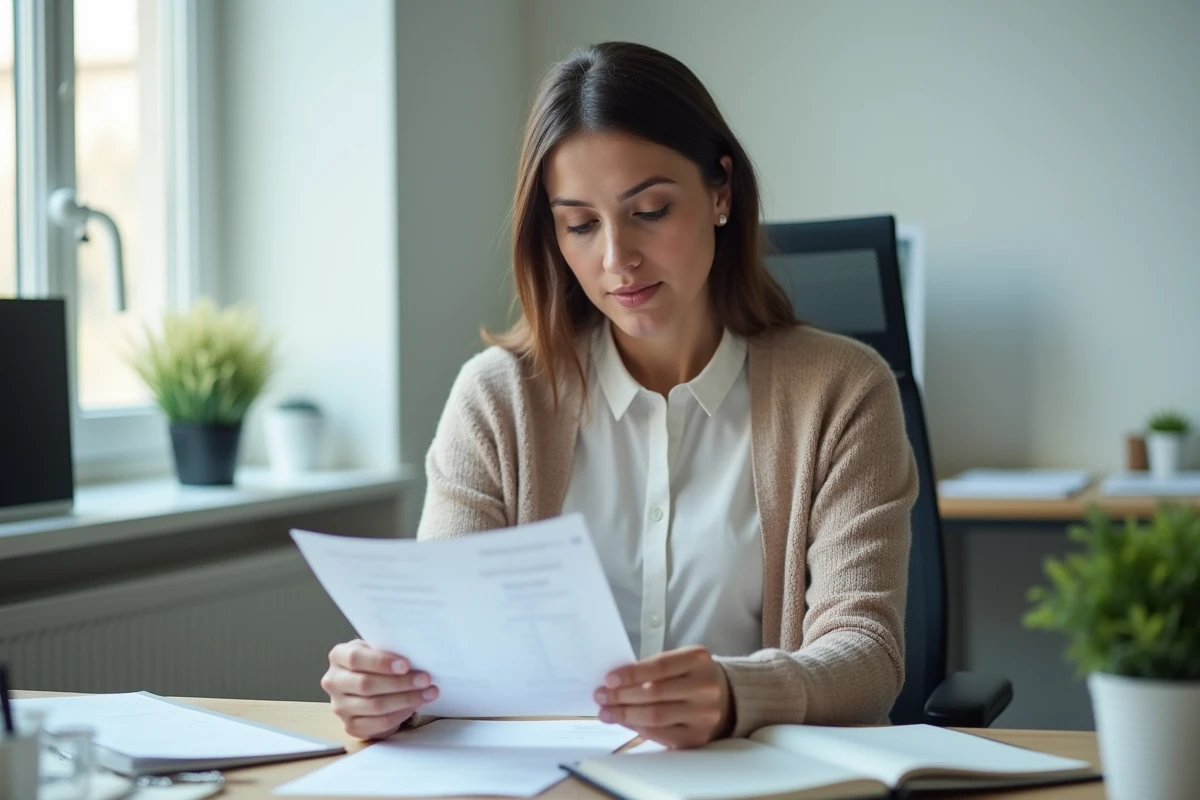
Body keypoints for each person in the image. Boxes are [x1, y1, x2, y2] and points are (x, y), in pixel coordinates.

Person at [321, 41, 917, 750]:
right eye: (580, 224)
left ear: (721, 191)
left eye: (651, 210)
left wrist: (735, 694)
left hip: (753, 781)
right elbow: (445, 651)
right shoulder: (497, 399)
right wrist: (391, 693)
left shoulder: (844, 391)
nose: (616, 259)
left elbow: (867, 654)